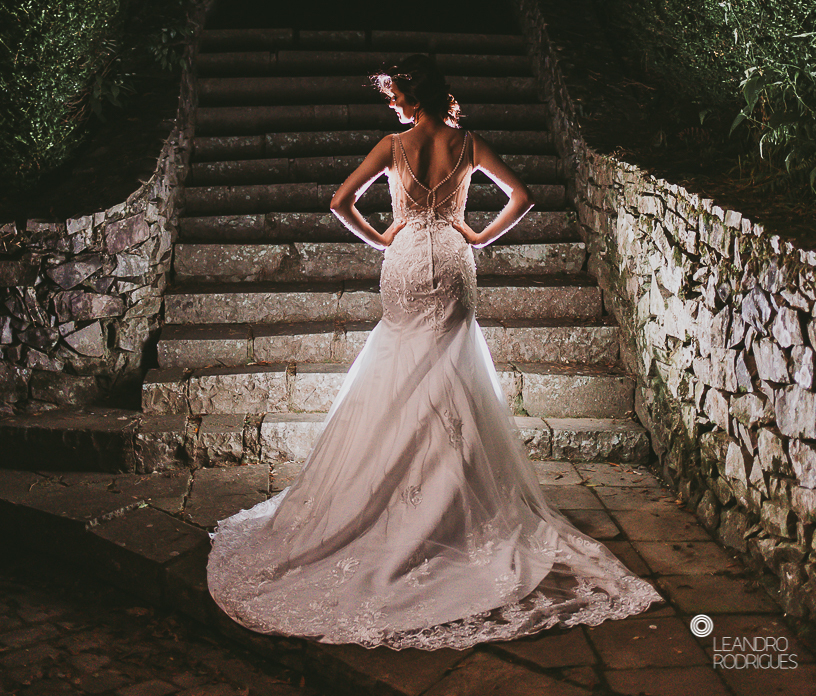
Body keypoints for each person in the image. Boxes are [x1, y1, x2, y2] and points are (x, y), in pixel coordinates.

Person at [207, 55, 663, 649]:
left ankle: (396, 499)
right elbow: (521, 197)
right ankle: (454, 503)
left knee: (399, 371)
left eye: (396, 94)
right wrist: (475, 233)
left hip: (402, 265)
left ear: (410, 97)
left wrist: (382, 236)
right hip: (451, 260)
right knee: (453, 373)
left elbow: (340, 202)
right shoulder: (467, 142)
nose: (392, 103)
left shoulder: (392, 145)